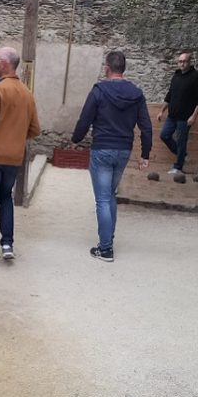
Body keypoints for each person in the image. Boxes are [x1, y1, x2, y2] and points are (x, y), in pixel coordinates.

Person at [71, 50, 152, 263]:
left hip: (102, 149)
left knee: (103, 199)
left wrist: (76, 139)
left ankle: (105, 248)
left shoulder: (99, 90)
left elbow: (85, 118)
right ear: (123, 68)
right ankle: (109, 238)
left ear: (107, 67)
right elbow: (146, 126)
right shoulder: (137, 94)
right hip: (123, 150)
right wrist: (145, 154)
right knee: (111, 194)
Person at [0, 47, 41, 270]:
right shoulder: (27, 93)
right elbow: (35, 129)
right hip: (15, 158)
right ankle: (7, 245)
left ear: (6, 64)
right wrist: (17, 136)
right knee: (6, 198)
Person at [156, 52, 198, 174]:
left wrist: (194, 116)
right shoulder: (176, 75)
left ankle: (178, 167)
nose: (182, 64)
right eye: (180, 61)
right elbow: (170, 95)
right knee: (164, 135)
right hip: (172, 115)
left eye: (184, 61)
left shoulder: (196, 77)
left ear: (190, 62)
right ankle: (182, 155)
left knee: (181, 141)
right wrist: (161, 110)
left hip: (185, 117)